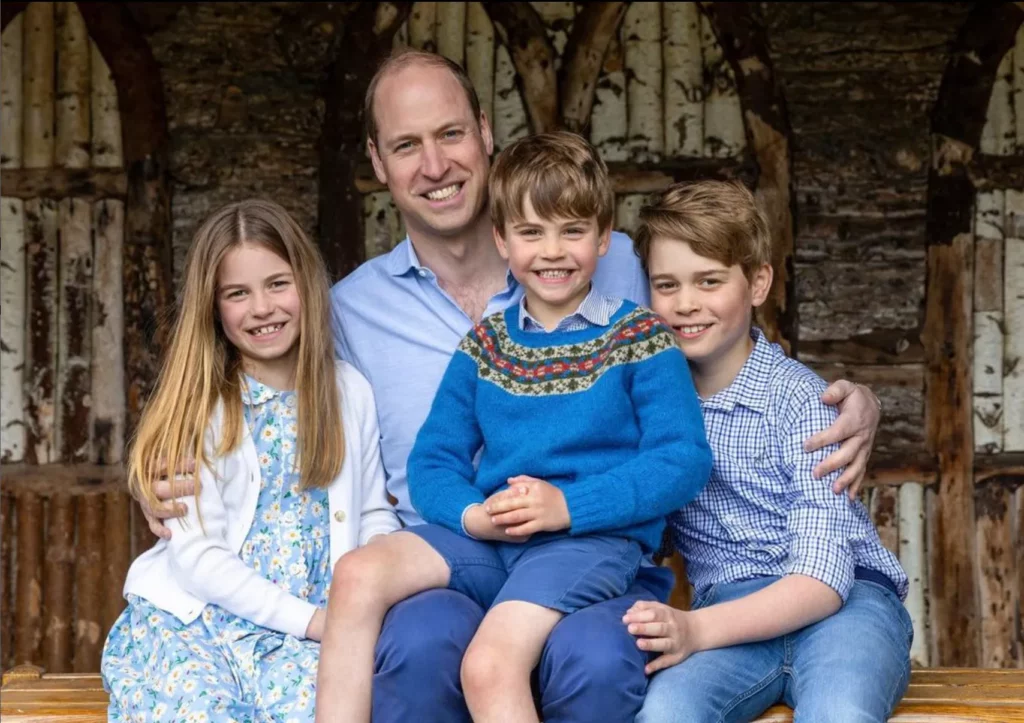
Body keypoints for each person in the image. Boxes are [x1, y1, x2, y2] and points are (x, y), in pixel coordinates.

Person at [142, 49, 884, 723]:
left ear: (485, 134)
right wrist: (159, 466)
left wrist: (846, 397)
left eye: (450, 134)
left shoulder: (629, 286)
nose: (434, 164)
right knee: (388, 603)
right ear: (377, 161)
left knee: (581, 656)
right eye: (406, 145)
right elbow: (247, 369)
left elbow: (717, 335)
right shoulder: (366, 314)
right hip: (467, 541)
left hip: (589, 543)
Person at [315, 132, 714, 723]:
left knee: (488, 666)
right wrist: (473, 515)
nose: (552, 251)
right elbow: (433, 462)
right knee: (357, 573)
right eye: (531, 232)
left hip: (587, 542)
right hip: (491, 538)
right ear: (502, 240)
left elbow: (683, 459)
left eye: (573, 230)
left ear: (605, 238)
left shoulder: (639, 338)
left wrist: (568, 506)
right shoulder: (486, 346)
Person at [624, 180, 912, 723]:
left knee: (840, 712)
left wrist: (694, 629)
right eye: (667, 285)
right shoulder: (657, 407)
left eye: (709, 281)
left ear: (757, 283)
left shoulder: (802, 401)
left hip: (845, 608)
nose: (686, 304)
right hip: (731, 615)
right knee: (663, 714)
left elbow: (824, 579)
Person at [101, 199, 400, 722]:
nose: (262, 308)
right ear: (214, 309)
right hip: (197, 624)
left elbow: (374, 511)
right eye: (237, 294)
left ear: (307, 284)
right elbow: (196, 560)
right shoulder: (202, 406)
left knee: (329, 707)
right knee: (204, 711)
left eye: (278, 284)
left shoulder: (347, 392)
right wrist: (313, 621)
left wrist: (365, 590)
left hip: (304, 633)